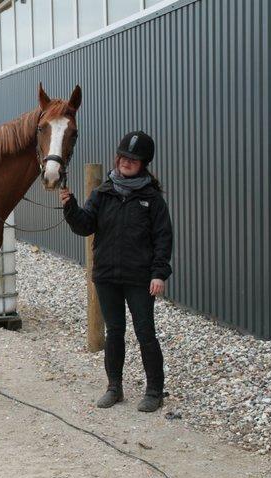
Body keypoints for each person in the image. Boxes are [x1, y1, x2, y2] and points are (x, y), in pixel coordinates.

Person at [60, 131, 173, 412]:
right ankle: (114, 387)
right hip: (107, 275)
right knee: (114, 332)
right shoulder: (103, 193)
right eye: (124, 157)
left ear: (143, 163)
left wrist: (159, 273)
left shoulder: (152, 199)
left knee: (145, 332)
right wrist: (70, 206)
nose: (126, 162)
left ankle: (154, 391)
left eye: (133, 159)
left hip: (139, 278)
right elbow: (84, 226)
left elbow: (163, 238)